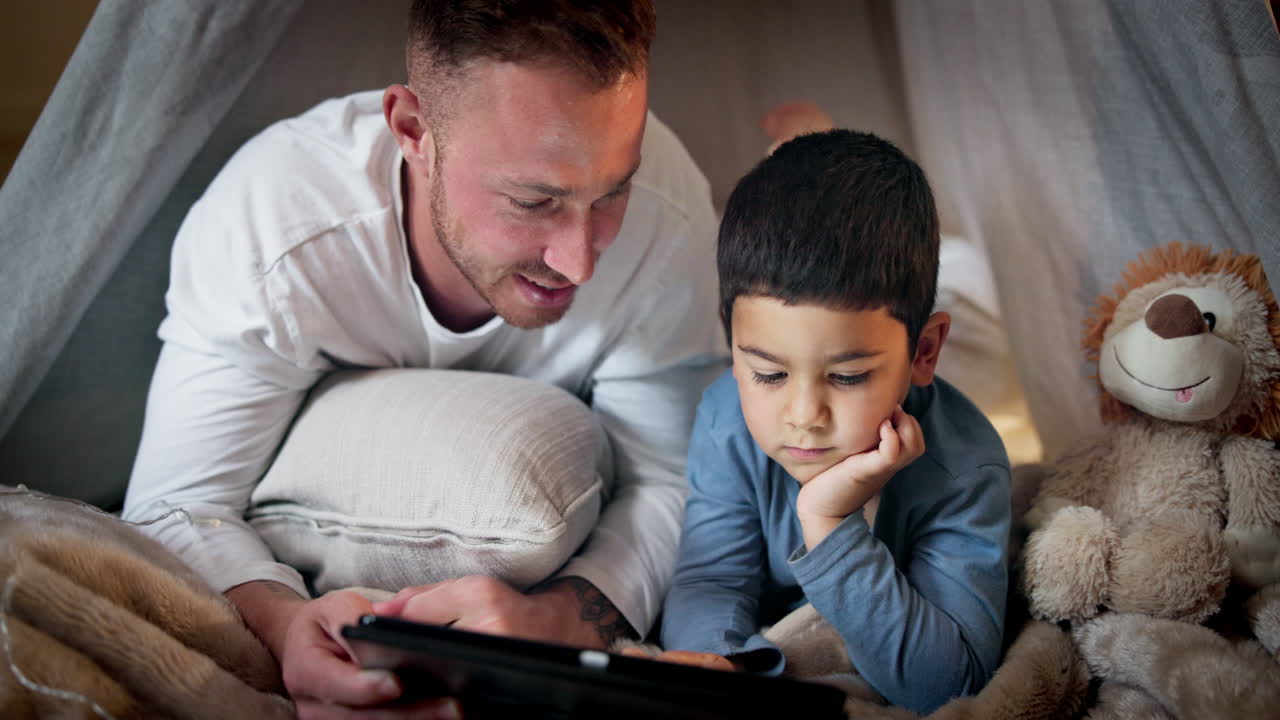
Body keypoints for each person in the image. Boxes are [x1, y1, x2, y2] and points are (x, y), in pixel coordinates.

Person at [122, 1, 725, 716]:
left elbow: (670, 479)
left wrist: (557, 621)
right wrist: (285, 624)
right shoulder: (275, 222)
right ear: (413, 132)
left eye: (613, 191)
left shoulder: (670, 212)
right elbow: (177, 503)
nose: (582, 260)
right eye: (534, 201)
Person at [656, 130, 1011, 714]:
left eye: (847, 377)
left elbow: (949, 685)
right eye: (768, 374)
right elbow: (711, 582)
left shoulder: (966, 468)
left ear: (924, 351)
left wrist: (829, 522)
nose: (802, 417)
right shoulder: (726, 418)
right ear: (732, 339)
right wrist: (723, 664)